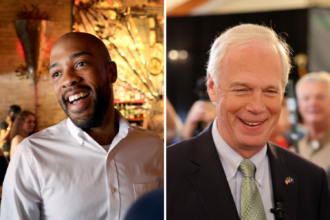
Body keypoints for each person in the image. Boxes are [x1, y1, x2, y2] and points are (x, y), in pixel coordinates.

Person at [167, 24, 330, 220]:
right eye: (242, 89)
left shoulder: (311, 179)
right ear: (212, 87)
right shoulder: (167, 171)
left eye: (270, 91)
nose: (257, 107)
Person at [1, 32, 163, 220]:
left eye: (81, 64)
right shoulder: (31, 156)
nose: (68, 80)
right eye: (56, 73)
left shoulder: (152, 146)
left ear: (111, 72)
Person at [296, 71, 330, 170]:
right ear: (299, 105)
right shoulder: (294, 150)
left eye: (320, 97)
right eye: (306, 98)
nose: (313, 103)